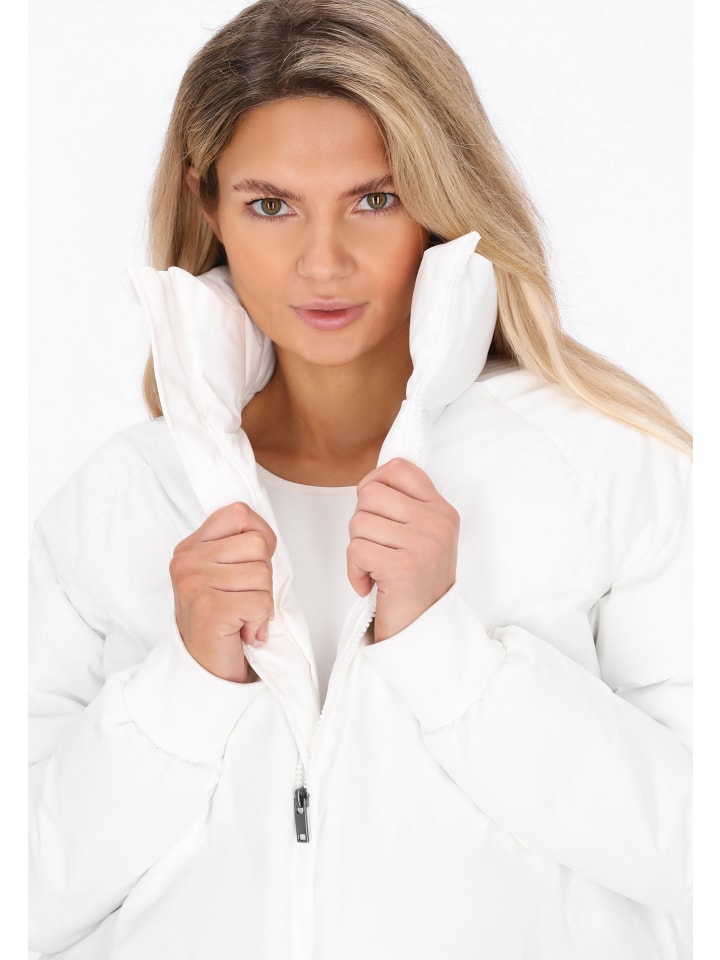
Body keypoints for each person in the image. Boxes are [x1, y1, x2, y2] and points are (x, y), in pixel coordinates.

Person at [28, 1, 692, 958]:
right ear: (207, 205)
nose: (323, 262)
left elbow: (693, 856)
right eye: (270, 205)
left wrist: (446, 655)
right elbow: (28, 898)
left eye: (374, 200)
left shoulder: (605, 466)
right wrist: (187, 685)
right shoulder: (119, 499)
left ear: (439, 197)